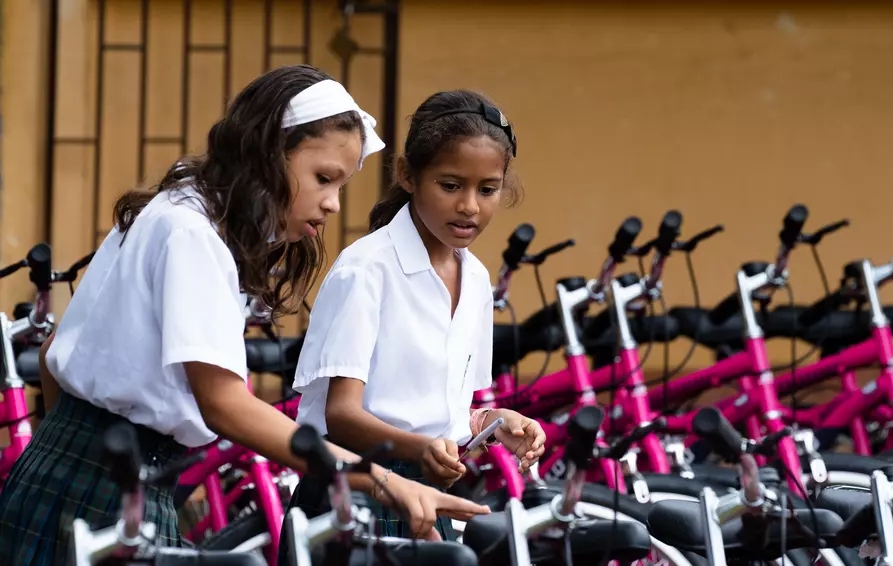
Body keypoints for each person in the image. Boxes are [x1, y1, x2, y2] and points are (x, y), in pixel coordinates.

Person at [0, 65, 489, 566]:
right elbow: (227, 406)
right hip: (108, 491)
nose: (333, 204)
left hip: (82, 476)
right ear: (267, 155)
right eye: (323, 179)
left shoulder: (174, 211)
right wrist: (383, 479)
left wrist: (63, 452)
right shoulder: (191, 232)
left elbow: (55, 347)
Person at [283, 89, 547, 545]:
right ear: (407, 175)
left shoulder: (477, 280)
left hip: (423, 496)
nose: (470, 206)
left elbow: (436, 411)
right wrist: (422, 449)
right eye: (450, 185)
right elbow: (342, 414)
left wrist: (493, 423)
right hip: (353, 489)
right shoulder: (368, 269)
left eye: (487, 190)